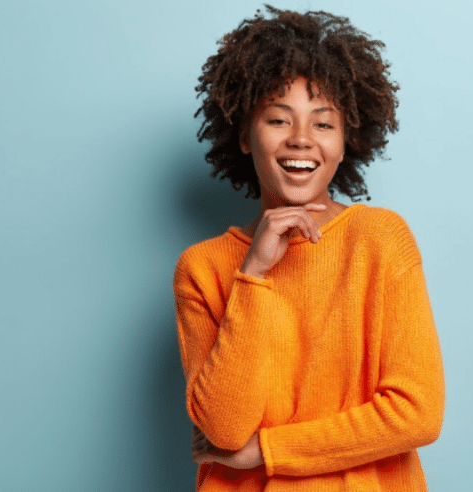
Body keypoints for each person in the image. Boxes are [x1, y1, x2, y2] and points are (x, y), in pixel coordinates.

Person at [173, 5, 445, 490]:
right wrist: (253, 274)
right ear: (244, 135)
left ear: (345, 141)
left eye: (323, 124)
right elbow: (224, 430)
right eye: (278, 120)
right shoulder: (203, 268)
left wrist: (268, 451)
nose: (301, 140)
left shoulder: (380, 239)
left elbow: (416, 413)